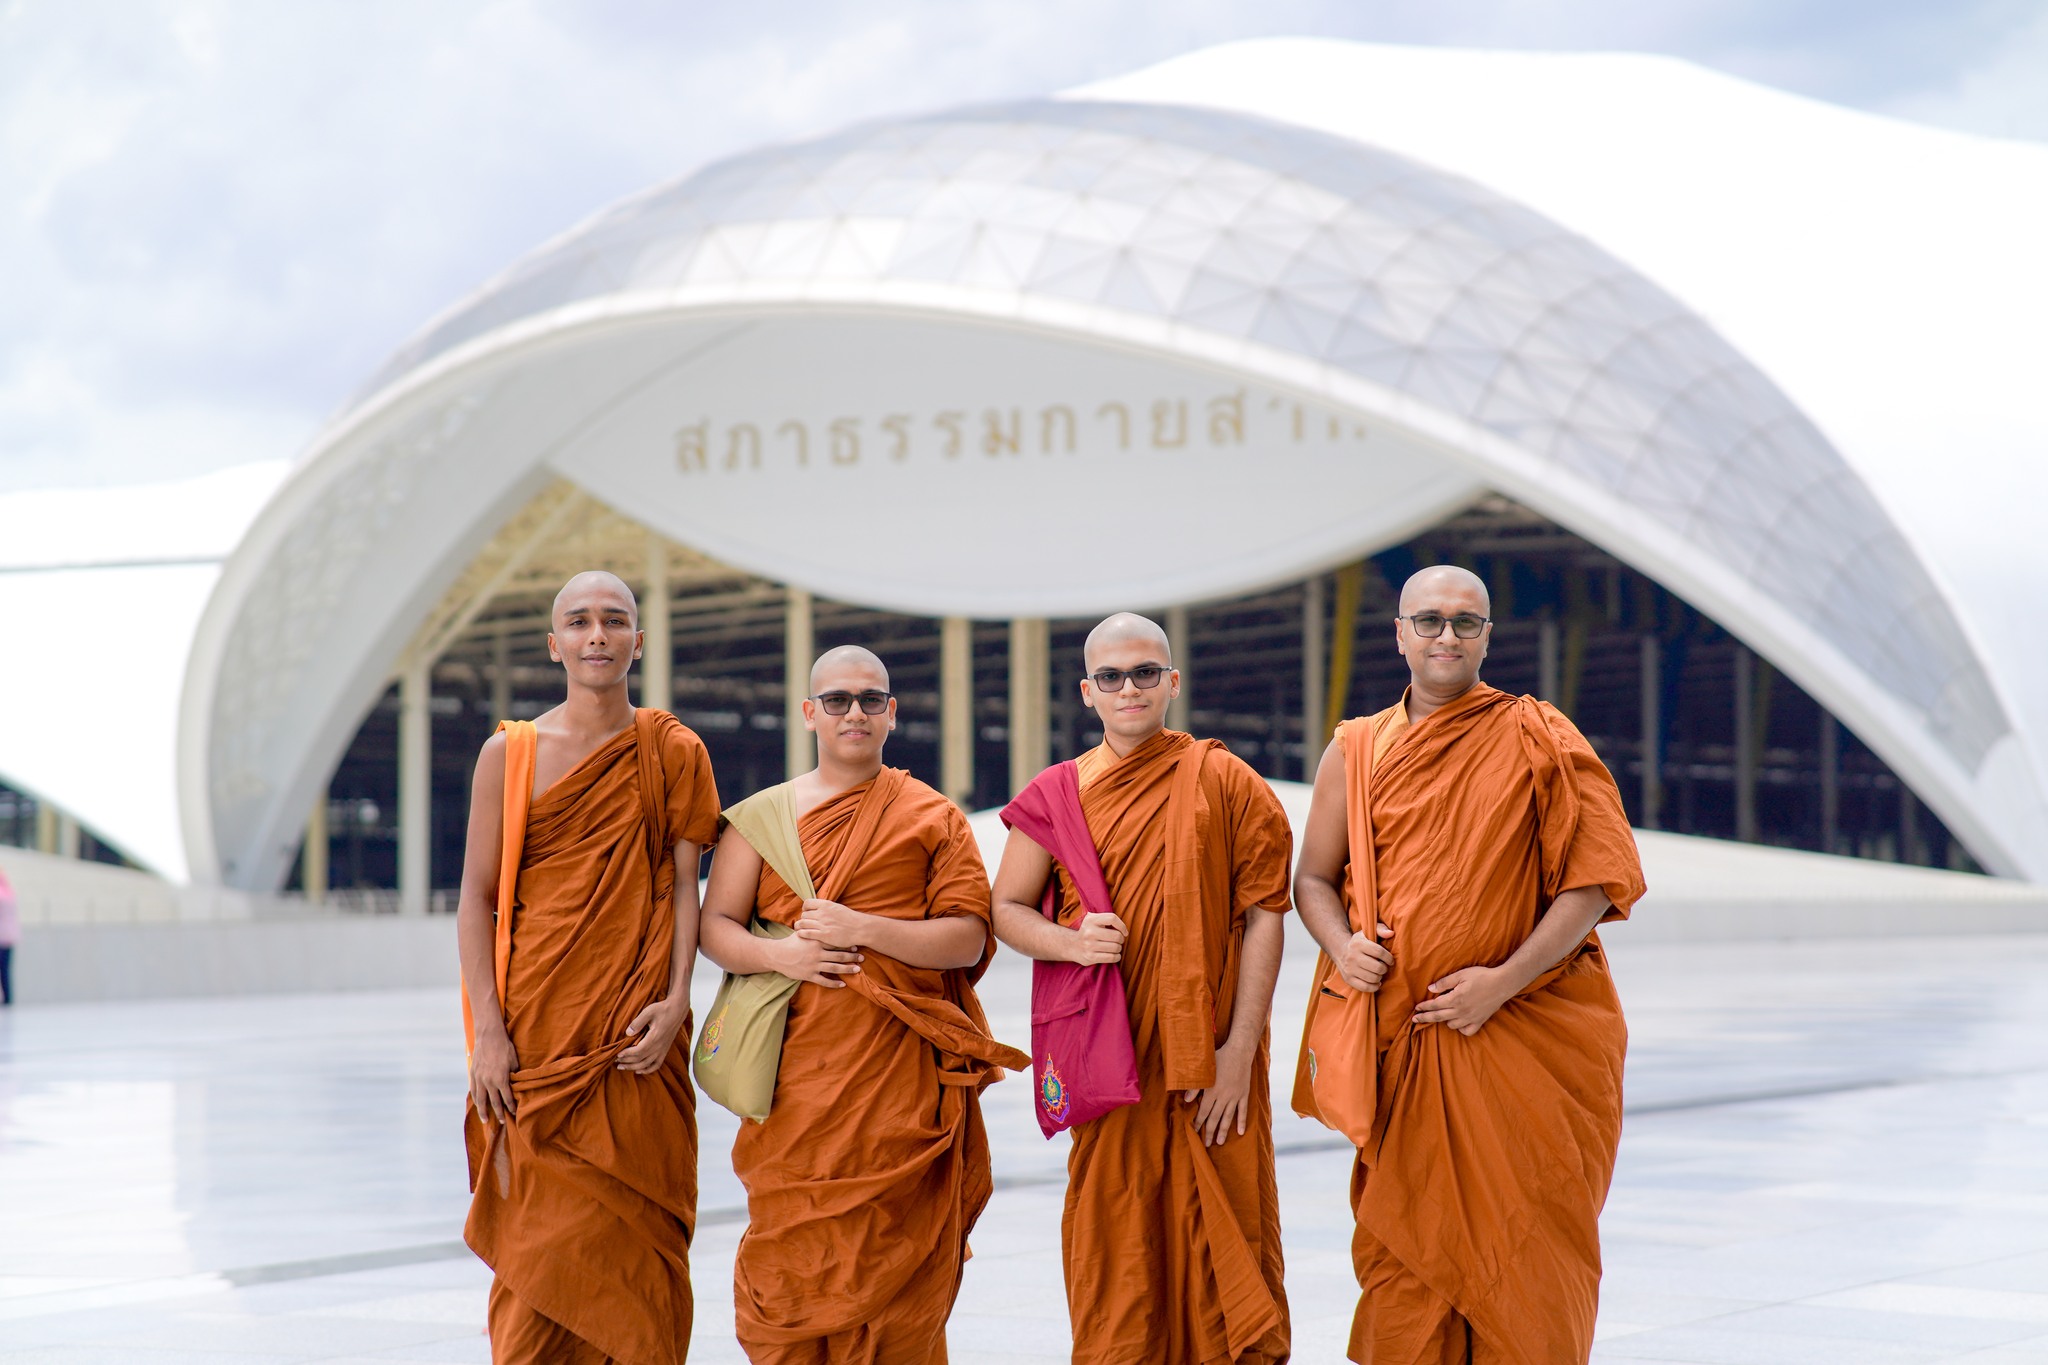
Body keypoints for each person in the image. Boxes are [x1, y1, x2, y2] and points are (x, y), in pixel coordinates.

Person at [1292, 564, 1646, 1364]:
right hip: (1408, 1051)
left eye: (1464, 621)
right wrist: (1343, 944)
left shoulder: (1539, 735)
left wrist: (1499, 983)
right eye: (1428, 620)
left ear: (1488, 635)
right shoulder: (1354, 751)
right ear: (1399, 634)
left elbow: (1593, 882)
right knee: (1406, 1266)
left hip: (1526, 1046)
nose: (1445, 635)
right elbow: (1311, 878)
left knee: (1531, 1253)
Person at [700, 644, 1027, 1363]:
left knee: (897, 1271)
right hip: (795, 1091)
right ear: (810, 712)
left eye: (871, 699)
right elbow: (714, 927)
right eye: (839, 699)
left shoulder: (933, 817)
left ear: (892, 714)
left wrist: (862, 929)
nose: (855, 712)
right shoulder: (759, 819)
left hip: (898, 1091)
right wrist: (782, 954)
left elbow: (969, 937)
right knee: (790, 1252)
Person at [991, 613, 1294, 1365]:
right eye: (1113, 677)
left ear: (1173, 682)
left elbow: (1267, 917)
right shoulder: (1055, 796)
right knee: (1117, 1248)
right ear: (1087, 692)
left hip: (1210, 1065)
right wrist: (1070, 941)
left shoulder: (1225, 780)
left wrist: (1237, 1052)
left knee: (1229, 1243)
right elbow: (1004, 909)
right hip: (1108, 1063)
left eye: (1146, 673)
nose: (1130, 688)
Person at [456, 570, 720, 1365]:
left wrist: (677, 1001)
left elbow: (682, 888)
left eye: (614, 620)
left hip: (638, 1040)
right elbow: (474, 899)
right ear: (554, 643)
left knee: (638, 1254)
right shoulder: (512, 753)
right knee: (538, 1260)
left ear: (639, 640)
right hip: (537, 1044)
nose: (597, 634)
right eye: (579, 621)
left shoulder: (673, 749)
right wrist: (489, 1036)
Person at [0, 863, 17, 1006]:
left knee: (3, 969)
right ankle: (8, 997)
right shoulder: (9, 893)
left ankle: (6, 999)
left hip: (1, 937)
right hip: (10, 937)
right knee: (5, 969)